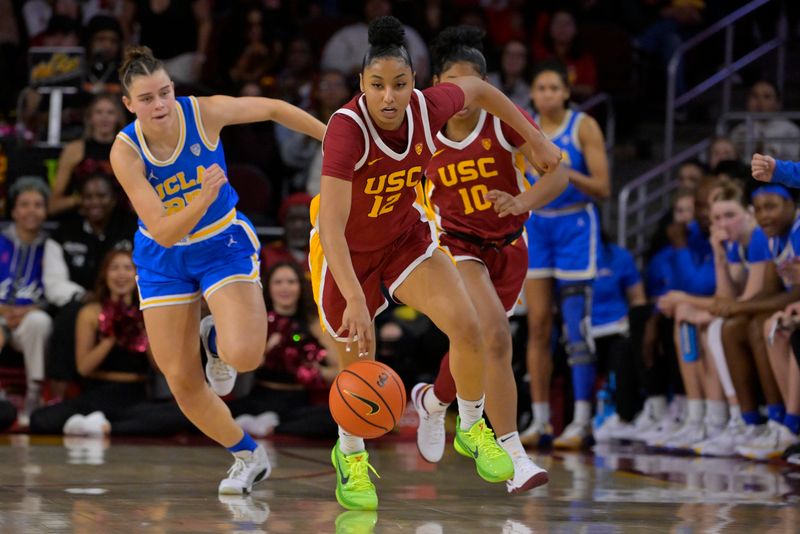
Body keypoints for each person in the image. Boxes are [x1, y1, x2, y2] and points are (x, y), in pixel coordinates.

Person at [313, 16, 560, 511]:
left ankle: (470, 426)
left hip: (405, 238)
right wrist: (357, 300)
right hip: (347, 253)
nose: (389, 97)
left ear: (415, 84)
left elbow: (483, 92)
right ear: (362, 85)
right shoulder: (346, 130)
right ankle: (351, 456)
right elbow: (335, 227)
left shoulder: (430, 107)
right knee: (358, 372)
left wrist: (533, 138)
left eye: (400, 85)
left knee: (469, 326)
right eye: (378, 86)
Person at [109, 45, 325, 495]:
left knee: (246, 356)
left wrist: (333, 139)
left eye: (165, 92)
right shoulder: (125, 152)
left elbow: (272, 107)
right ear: (129, 104)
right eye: (147, 98)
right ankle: (247, 455)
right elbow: (165, 231)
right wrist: (202, 198)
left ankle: (217, 339)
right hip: (164, 255)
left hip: (221, 243)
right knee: (182, 381)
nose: (160, 104)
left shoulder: (203, 114)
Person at [411, 26, 567, 495]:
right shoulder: (424, 128)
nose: (463, 97)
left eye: (472, 87)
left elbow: (557, 176)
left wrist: (524, 202)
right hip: (458, 246)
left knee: (474, 347)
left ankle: (434, 401)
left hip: (510, 246)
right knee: (496, 338)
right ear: (437, 84)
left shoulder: (503, 120)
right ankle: (513, 454)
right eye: (452, 86)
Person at [518, 60, 610, 449]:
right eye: (541, 88)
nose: (547, 94)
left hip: (575, 226)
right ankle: (540, 421)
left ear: (566, 92)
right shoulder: (522, 126)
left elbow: (604, 186)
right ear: (533, 94)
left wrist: (562, 172)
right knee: (537, 325)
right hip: (538, 224)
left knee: (575, 328)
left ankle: (582, 421)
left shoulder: (583, 125)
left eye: (554, 88)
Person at [28, 250, 150, 435]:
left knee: (180, 417)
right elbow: (83, 368)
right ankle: (107, 426)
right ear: (105, 274)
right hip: (97, 393)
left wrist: (143, 332)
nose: (121, 274)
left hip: (135, 395)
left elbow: (161, 368)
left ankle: (102, 427)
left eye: (127, 268)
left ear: (137, 275)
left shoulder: (147, 312)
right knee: (40, 420)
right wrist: (110, 337)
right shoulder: (91, 312)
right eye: (114, 268)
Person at [0, 177, 85, 424]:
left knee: (40, 322)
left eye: (38, 205)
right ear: (14, 210)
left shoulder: (51, 247)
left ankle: (33, 397)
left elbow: (56, 289)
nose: (31, 210)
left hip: (29, 316)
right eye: (24, 204)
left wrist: (29, 310)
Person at [228, 261, 338, 439]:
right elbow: (238, 368)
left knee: (339, 419)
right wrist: (265, 351)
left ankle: (274, 426)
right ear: (268, 287)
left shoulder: (314, 324)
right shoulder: (258, 321)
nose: (285, 288)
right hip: (260, 397)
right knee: (202, 412)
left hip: (297, 402)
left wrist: (317, 372)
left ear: (300, 286)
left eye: (291, 282)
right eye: (278, 282)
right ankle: (264, 423)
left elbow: (339, 369)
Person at [49, 94, 126, 218]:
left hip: (120, 219)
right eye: (99, 112)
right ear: (90, 117)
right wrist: (84, 200)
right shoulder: (74, 150)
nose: (104, 117)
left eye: (110, 112)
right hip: (80, 217)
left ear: (118, 118)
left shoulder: (129, 151)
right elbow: (53, 204)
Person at [731, 80, 800, 162]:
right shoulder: (738, 131)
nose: (760, 102)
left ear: (778, 103)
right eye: (755, 96)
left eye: (767, 97)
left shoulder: (791, 131)